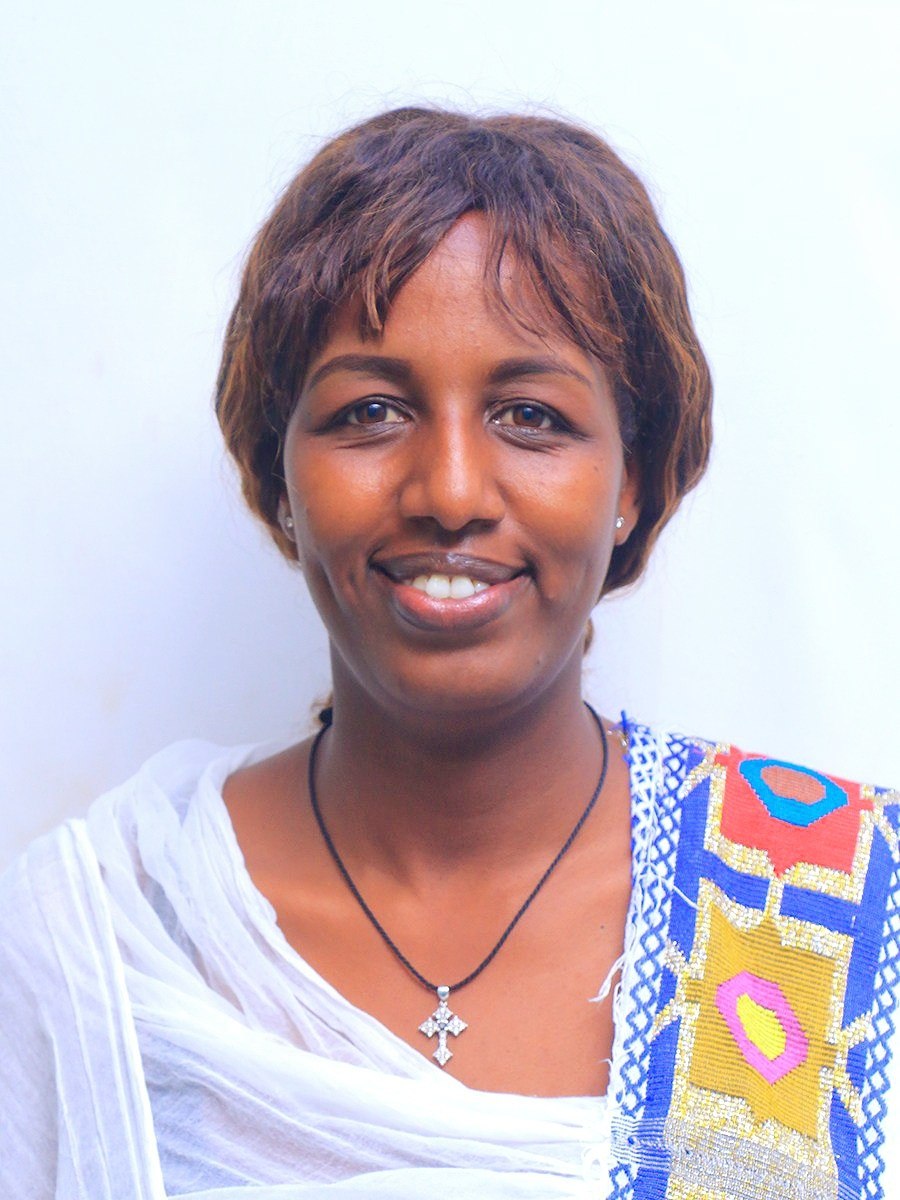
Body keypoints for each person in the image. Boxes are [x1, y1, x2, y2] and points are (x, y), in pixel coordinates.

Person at [1, 107, 897, 1200]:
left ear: (633, 481)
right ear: (278, 480)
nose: (454, 491)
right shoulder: (109, 938)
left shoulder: (838, 908)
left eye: (531, 416)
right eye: (372, 411)